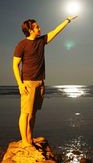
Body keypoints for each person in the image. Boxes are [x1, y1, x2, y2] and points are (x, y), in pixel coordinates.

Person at [13, 16, 77, 148]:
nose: (39, 28)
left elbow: (55, 31)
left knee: (33, 113)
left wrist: (67, 20)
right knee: (25, 113)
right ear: (30, 30)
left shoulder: (41, 41)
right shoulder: (22, 44)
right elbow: (15, 65)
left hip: (40, 82)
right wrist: (20, 84)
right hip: (28, 83)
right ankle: (24, 141)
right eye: (36, 26)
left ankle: (30, 137)